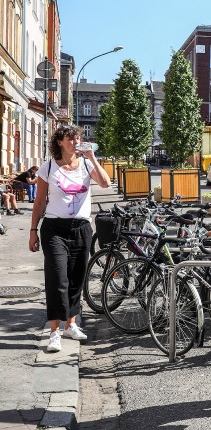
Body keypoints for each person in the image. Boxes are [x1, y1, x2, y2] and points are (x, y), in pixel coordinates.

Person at [29, 125, 110, 353]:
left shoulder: (86, 164)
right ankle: (54, 332)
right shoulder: (49, 167)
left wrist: (93, 158)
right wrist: (33, 230)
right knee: (57, 278)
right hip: (54, 229)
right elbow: (39, 202)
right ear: (60, 142)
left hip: (82, 227)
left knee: (76, 278)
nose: (76, 142)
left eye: (78, 138)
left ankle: (71, 325)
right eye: (71, 139)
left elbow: (106, 183)